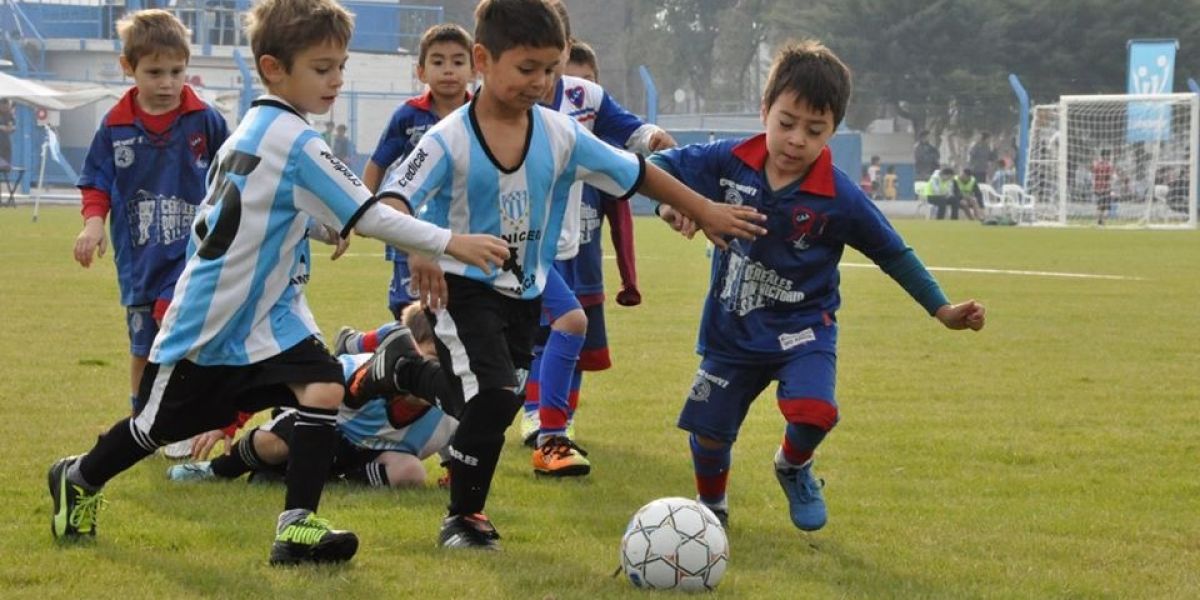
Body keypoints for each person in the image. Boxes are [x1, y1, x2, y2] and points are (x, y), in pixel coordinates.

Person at [47, 0, 510, 567]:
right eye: (322, 68)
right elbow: (370, 214)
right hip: (213, 316)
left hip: (266, 316)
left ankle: (296, 527)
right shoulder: (296, 138)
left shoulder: (256, 127)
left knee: (324, 386)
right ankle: (79, 476)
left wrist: (316, 226)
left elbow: (258, 207)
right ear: (273, 68)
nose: (336, 80)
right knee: (157, 427)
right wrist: (450, 241)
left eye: (340, 66)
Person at [368, 0, 765, 550]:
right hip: (461, 289)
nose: (540, 82)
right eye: (526, 68)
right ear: (484, 59)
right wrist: (425, 246)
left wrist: (704, 209)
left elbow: (637, 174)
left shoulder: (561, 135)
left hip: (525, 294)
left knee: (490, 399)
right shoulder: (446, 138)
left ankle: (403, 369)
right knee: (495, 397)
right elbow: (390, 200)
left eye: (550, 69)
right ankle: (463, 518)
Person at [651, 39, 986, 531]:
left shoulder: (840, 197)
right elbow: (657, 168)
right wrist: (675, 204)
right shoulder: (729, 159)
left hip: (803, 329)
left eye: (814, 130)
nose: (796, 140)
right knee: (710, 431)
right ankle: (711, 510)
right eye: (786, 123)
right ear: (765, 110)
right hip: (732, 328)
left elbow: (893, 253)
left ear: (833, 130)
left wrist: (942, 309)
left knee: (814, 411)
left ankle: (793, 465)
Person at [70, 10, 229, 457]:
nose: (167, 83)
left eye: (177, 71)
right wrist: (94, 223)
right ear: (129, 68)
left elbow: (235, 171)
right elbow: (96, 181)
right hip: (140, 259)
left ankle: (191, 419)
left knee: (184, 333)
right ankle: (142, 421)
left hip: (196, 255)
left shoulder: (205, 119)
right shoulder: (115, 126)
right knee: (143, 345)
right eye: (155, 72)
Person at [520, 1, 669, 478]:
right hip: (505, 244)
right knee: (496, 345)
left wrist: (652, 137)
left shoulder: (586, 98)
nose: (541, 71)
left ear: (566, 48)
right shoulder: (494, 101)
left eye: (552, 53)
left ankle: (549, 427)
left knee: (567, 326)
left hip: (562, 246)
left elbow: (630, 133)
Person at [169, 305, 458, 488]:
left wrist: (456, 475)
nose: (437, 374)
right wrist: (231, 420)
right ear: (406, 350)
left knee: (410, 473)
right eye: (432, 359)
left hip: (366, 456)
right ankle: (216, 470)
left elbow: (457, 440)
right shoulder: (360, 374)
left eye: (450, 364)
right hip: (324, 430)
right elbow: (285, 383)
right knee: (279, 440)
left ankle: (313, 479)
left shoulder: (453, 404)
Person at [362, 23, 474, 320]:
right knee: (412, 314)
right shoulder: (408, 116)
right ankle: (373, 343)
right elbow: (378, 163)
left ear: (474, 70)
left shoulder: (482, 115)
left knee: (461, 312)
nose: (448, 70)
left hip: (464, 230)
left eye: (458, 62)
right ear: (421, 72)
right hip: (409, 231)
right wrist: (358, 210)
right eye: (438, 62)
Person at [1092, 148, 1116, 225]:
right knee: (1106, 207)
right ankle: (1103, 222)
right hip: (1106, 188)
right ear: (1106, 156)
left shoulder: (1097, 165)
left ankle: (1098, 221)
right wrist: (1112, 189)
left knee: (1099, 205)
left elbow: (1094, 176)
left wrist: (1094, 186)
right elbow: (1111, 177)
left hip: (1098, 188)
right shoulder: (1108, 165)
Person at [0, 99, 15, 169]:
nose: (6, 108)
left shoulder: (9, 115)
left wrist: (10, 128)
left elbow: (12, 127)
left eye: (7, 106)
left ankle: (5, 165)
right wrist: (2, 127)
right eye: (4, 106)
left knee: (6, 151)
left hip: (5, 139)